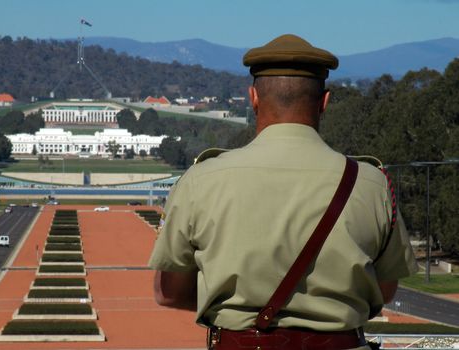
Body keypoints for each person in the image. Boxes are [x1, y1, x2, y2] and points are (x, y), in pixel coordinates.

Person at [148, 34, 418, 350]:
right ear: (325, 101)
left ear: (253, 97)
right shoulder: (372, 184)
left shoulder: (201, 180)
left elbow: (168, 292)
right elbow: (384, 290)